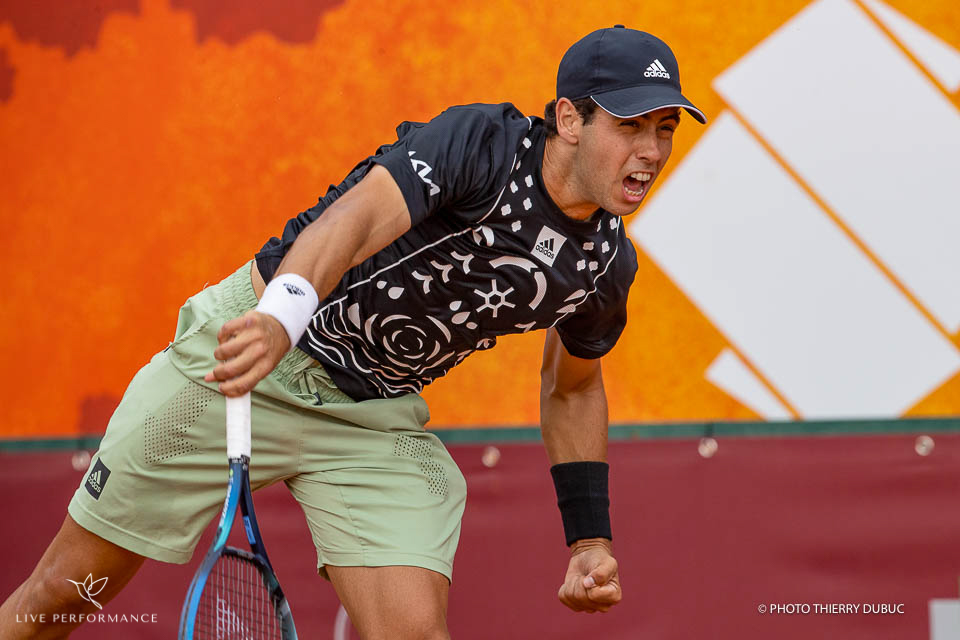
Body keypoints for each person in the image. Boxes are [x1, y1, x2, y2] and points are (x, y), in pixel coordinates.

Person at [0, 25, 705, 639]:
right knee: (60, 594)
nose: (651, 150)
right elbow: (356, 219)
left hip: (371, 419)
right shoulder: (482, 145)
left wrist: (588, 540)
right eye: (631, 125)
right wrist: (280, 320)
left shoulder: (603, 265)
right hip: (249, 359)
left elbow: (572, 388)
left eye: (665, 129)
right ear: (570, 119)